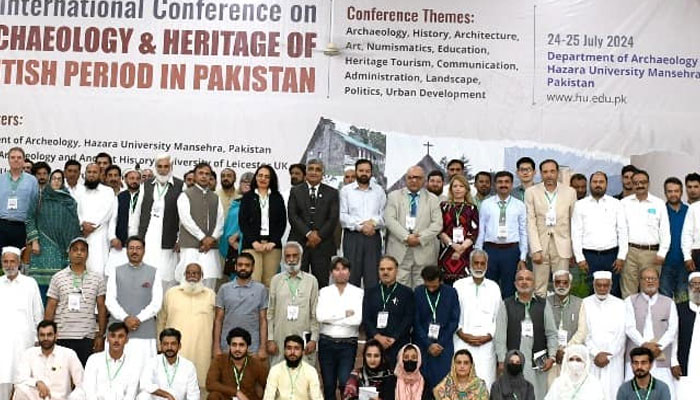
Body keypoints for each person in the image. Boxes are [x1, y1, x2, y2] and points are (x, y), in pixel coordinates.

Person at [495, 268, 558, 400]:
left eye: (528, 279)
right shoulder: (506, 304)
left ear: (534, 283)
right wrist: (502, 360)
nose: (524, 282)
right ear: (515, 283)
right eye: (520, 279)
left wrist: (552, 356)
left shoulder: (543, 304)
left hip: (538, 364)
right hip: (514, 363)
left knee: (537, 395)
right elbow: (500, 335)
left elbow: (552, 333)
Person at [45, 237, 108, 366]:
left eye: (82, 250)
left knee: (83, 379)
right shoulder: (58, 278)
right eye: (75, 250)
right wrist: (47, 335)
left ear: (87, 254)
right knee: (62, 379)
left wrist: (100, 335)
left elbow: (102, 308)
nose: (79, 253)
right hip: (62, 336)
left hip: (86, 337)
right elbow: (50, 307)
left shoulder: (97, 279)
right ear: (69, 253)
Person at [157, 263, 215, 395]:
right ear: (184, 275)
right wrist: (160, 346)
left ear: (202, 276)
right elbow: (161, 320)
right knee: (171, 386)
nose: (192, 276)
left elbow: (218, 323)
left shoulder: (211, 295)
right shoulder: (171, 293)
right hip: (174, 351)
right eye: (189, 273)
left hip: (202, 352)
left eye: (196, 273)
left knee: (200, 388)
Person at [106, 236, 163, 370]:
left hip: (145, 333)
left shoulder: (154, 272)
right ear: (126, 251)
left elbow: (156, 303)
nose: (134, 251)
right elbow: (110, 300)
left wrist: (138, 319)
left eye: (138, 248)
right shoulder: (115, 271)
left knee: (145, 374)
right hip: (118, 332)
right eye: (131, 248)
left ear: (144, 251)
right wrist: (125, 318)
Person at [26, 169, 81, 300]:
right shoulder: (40, 197)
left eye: (59, 179)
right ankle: (41, 319)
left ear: (63, 182)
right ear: (49, 181)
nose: (56, 181)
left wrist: (71, 247)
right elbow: (29, 219)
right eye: (54, 178)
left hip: (64, 248)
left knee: (61, 288)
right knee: (42, 289)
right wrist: (34, 240)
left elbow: (73, 224)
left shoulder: (70, 201)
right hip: (44, 247)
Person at [525, 159, 577, 298]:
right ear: (540, 174)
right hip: (541, 246)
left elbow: (574, 222)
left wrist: (573, 250)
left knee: (562, 286)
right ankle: (539, 318)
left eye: (552, 171)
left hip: (562, 246)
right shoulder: (531, 192)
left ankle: (561, 318)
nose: (549, 175)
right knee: (539, 288)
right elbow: (530, 222)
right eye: (545, 172)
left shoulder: (570, 192)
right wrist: (535, 249)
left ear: (558, 173)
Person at [571, 171, 627, 297]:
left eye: (601, 182)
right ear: (590, 184)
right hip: (589, 257)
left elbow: (622, 231)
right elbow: (576, 232)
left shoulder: (616, 204)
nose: (598, 185)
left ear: (606, 184)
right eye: (595, 182)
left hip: (612, 257)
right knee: (589, 293)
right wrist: (580, 258)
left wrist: (621, 256)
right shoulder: (580, 205)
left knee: (612, 292)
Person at [624, 267, 678, 397]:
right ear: (640, 281)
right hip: (636, 358)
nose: (650, 281)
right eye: (646, 279)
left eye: (653, 278)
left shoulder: (669, 302)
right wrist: (645, 345)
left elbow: (673, 330)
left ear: (658, 281)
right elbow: (629, 327)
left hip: (661, 358)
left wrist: (658, 347)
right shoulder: (629, 301)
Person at [385, 166, 443, 288]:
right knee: (399, 289)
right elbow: (390, 220)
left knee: (422, 289)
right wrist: (407, 237)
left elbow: (437, 224)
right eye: (410, 177)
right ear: (406, 179)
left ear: (423, 180)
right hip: (400, 250)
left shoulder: (433, 199)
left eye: (417, 178)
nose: (413, 180)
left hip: (424, 251)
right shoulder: (394, 196)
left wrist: (419, 239)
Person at [453, 250, 501, 389]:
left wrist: (488, 336)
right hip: (462, 341)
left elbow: (498, 317)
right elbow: (453, 314)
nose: (479, 267)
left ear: (487, 265)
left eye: (482, 263)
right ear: (470, 264)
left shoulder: (494, 287)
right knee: (461, 383)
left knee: (485, 382)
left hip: (486, 344)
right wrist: (462, 334)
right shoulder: (458, 286)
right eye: (476, 263)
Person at [316, 257, 364, 400]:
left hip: (348, 344)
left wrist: (333, 317)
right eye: (337, 269)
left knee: (344, 383)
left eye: (344, 269)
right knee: (329, 386)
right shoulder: (324, 292)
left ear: (349, 272)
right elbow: (321, 317)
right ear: (331, 273)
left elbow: (357, 320)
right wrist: (344, 314)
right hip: (326, 342)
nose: (341, 272)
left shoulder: (358, 292)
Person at [0, 246, 44, 399]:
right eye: (5, 261)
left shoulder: (30, 283)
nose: (9, 265)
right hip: (2, 345)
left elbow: (38, 313)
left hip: (25, 342)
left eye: (12, 261)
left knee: (24, 382)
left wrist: (39, 339)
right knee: (3, 381)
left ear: (19, 263)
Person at [287, 159, 339, 287]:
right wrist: (309, 234)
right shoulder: (296, 191)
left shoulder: (332, 193)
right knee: (298, 282)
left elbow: (333, 219)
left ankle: (319, 307)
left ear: (323, 174)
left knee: (321, 283)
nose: (314, 172)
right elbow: (293, 216)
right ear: (306, 172)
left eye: (318, 169)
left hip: (323, 244)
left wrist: (318, 236)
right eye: (311, 169)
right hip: (300, 243)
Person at [266, 241, 320, 366]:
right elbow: (270, 313)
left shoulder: (311, 281)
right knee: (278, 376)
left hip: (303, 337)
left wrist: (313, 339)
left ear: (301, 257)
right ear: (283, 258)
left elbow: (315, 314)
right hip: (280, 338)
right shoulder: (276, 280)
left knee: (304, 376)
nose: (291, 260)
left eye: (295, 256)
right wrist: (270, 339)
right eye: (288, 256)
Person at [476, 171, 528, 299]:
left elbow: (523, 231)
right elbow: (481, 229)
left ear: (511, 184)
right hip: (490, 250)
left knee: (509, 288)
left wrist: (523, 257)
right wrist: (478, 251)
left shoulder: (520, 205)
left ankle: (507, 317)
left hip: (511, 251)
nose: (503, 185)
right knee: (488, 287)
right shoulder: (486, 204)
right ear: (495, 185)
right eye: (500, 182)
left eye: (506, 182)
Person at [621, 170, 670, 298]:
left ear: (648, 184)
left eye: (642, 182)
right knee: (628, 290)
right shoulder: (624, 203)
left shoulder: (658, 203)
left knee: (650, 290)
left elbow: (665, 230)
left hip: (651, 254)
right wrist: (621, 254)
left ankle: (649, 317)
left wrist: (662, 253)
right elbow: (621, 230)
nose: (639, 185)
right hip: (629, 252)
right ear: (632, 184)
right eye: (636, 183)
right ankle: (630, 317)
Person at [176, 162, 225, 290]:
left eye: (207, 174)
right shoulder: (185, 195)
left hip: (210, 248)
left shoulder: (215, 198)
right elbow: (186, 220)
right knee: (187, 283)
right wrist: (203, 238)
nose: (204, 177)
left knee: (209, 282)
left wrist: (212, 238)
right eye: (201, 173)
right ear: (195, 176)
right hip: (190, 247)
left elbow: (220, 221)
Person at [578, 271, 626, 400]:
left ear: (611, 286)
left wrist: (608, 355)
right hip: (592, 359)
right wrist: (595, 353)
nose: (602, 289)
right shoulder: (584, 303)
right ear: (594, 285)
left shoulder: (621, 305)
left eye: (606, 285)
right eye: (599, 285)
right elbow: (583, 332)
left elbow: (621, 335)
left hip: (614, 360)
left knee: (613, 393)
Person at [139, 153, 184, 291]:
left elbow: (184, 216)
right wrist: (136, 237)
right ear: (155, 167)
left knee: (166, 276)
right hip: (148, 235)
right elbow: (137, 213)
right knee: (146, 275)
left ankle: (164, 310)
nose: (163, 170)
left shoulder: (180, 186)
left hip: (168, 237)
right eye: (159, 166)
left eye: (166, 166)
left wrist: (180, 238)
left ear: (171, 167)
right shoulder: (146, 185)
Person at [340, 159, 387, 288]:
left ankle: (370, 308)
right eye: (361, 171)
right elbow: (342, 216)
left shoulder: (379, 191)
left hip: (373, 237)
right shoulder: (346, 191)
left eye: (367, 171)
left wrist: (372, 224)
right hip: (352, 237)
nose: (364, 173)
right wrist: (361, 227)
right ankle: (351, 308)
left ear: (371, 173)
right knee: (352, 277)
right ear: (356, 172)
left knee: (372, 278)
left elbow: (384, 215)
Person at [362, 256, 415, 368]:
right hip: (375, 345)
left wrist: (394, 338)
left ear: (397, 270)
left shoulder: (406, 293)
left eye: (389, 269)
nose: (385, 272)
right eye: (382, 269)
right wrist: (377, 336)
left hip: (398, 343)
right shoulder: (370, 292)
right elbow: (366, 318)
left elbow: (408, 318)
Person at [214, 253, 269, 359]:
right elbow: (218, 320)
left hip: (253, 347)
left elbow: (263, 320)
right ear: (235, 267)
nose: (243, 268)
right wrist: (216, 347)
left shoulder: (261, 289)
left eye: (247, 265)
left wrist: (262, 347)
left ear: (253, 268)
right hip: (228, 347)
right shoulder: (224, 289)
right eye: (240, 265)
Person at [239, 165, 287, 287]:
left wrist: (273, 242)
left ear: (271, 179)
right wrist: (254, 242)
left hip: (272, 246)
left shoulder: (277, 197)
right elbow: (243, 222)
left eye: (267, 176)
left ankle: (267, 307)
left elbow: (282, 222)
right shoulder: (248, 197)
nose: (263, 179)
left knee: (270, 282)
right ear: (255, 177)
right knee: (254, 281)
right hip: (252, 245)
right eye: (260, 175)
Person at [414, 266, 460, 388]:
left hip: (444, 344)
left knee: (443, 384)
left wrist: (440, 343)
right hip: (423, 344)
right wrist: (428, 344)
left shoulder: (451, 293)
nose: (431, 289)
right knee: (423, 383)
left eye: (434, 286)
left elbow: (454, 320)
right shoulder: (418, 292)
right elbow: (415, 321)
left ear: (441, 281)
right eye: (428, 286)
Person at [13, 320, 84, 400]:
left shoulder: (68, 354)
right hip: (37, 398)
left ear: (56, 336)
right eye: (42, 335)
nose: (45, 338)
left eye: (49, 335)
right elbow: (20, 379)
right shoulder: (29, 353)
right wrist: (37, 383)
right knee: (20, 389)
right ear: (38, 336)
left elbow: (81, 383)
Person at [82, 322, 141, 400]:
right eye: (113, 336)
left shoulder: (133, 363)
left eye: (120, 336)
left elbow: (131, 394)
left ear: (126, 340)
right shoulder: (94, 359)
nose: (116, 340)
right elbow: (89, 389)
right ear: (107, 339)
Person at [207, 327, 269, 400]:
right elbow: (210, 384)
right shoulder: (219, 360)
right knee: (213, 396)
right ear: (229, 346)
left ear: (247, 347)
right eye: (234, 345)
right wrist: (236, 392)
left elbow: (268, 386)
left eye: (241, 345)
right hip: (227, 398)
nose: (237, 349)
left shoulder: (256, 364)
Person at [75, 163, 115, 276]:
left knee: (98, 268)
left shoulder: (108, 191)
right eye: (89, 172)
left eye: (94, 172)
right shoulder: (79, 191)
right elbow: (75, 210)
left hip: (99, 234)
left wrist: (91, 226)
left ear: (100, 174)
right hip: (81, 233)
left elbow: (107, 211)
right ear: (85, 174)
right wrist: (82, 224)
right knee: (80, 268)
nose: (91, 175)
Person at [438, 175, 478, 285]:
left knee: (465, 285)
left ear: (466, 189)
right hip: (446, 251)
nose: (458, 188)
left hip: (465, 252)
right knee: (447, 286)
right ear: (450, 189)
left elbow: (474, 231)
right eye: (455, 186)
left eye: (461, 186)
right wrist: (452, 245)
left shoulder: (472, 208)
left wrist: (461, 248)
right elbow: (440, 230)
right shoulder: (443, 206)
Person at [137, 328, 199, 400]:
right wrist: (167, 395)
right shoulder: (153, 362)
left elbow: (194, 395)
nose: (169, 347)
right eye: (166, 344)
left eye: (173, 344)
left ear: (179, 346)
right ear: (161, 346)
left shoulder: (188, 366)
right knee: (143, 396)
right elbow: (145, 384)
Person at [545, 271, 584, 378]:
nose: (561, 285)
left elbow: (582, 331)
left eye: (565, 282)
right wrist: (554, 350)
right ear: (553, 284)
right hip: (550, 355)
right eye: (558, 282)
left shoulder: (580, 303)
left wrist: (566, 350)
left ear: (570, 284)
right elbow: (543, 330)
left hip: (573, 354)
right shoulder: (545, 303)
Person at [262, 335, 323, 400]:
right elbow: (268, 397)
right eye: (289, 348)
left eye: (296, 348)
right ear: (284, 351)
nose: (292, 352)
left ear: (302, 352)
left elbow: (317, 397)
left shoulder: (311, 371)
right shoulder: (275, 370)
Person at [0, 147, 39, 249]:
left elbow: (35, 207)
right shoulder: (1, 179)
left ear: (23, 160)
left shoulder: (32, 181)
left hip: (23, 227)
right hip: (2, 224)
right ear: (8, 160)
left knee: (20, 262)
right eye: (12, 157)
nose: (16, 160)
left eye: (19, 157)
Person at [107, 168, 143, 272]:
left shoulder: (144, 196)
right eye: (131, 178)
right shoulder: (119, 197)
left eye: (137, 178)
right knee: (115, 273)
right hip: (121, 242)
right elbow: (113, 219)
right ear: (125, 179)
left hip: (139, 241)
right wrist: (113, 238)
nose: (134, 181)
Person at [660, 177, 689, 302]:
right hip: (665, 263)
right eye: (669, 191)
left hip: (685, 264)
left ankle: (682, 322)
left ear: (681, 192)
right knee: (664, 299)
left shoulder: (689, 211)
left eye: (676, 191)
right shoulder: (660, 211)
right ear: (665, 193)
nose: (673, 194)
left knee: (682, 298)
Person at [671, 272, 700, 389]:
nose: (698, 287)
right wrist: (674, 362)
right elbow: (672, 337)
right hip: (683, 365)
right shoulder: (678, 309)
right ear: (689, 287)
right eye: (694, 284)